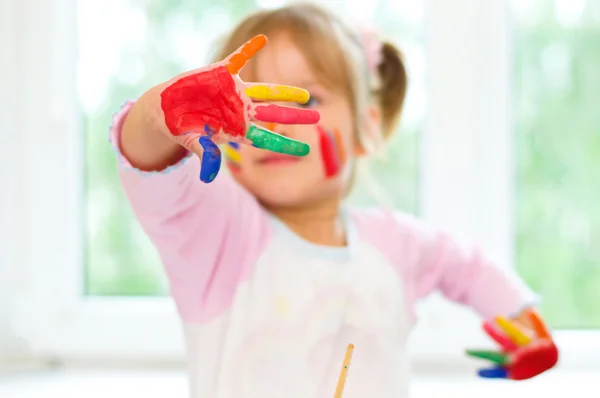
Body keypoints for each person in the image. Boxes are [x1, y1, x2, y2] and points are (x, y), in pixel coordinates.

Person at [111, 3, 556, 397]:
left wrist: (523, 323)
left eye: (305, 98)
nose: (277, 126)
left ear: (367, 126)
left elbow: (465, 265)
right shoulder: (221, 235)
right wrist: (159, 115)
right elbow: (151, 169)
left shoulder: (392, 243)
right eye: (250, 101)